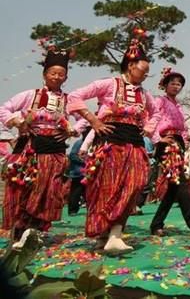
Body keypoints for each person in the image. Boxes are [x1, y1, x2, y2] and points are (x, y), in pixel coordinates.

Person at [67, 36, 161, 255]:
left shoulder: (145, 94)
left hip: (134, 145)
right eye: (143, 70)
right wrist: (94, 120)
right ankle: (104, 235)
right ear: (131, 66)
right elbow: (75, 96)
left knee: (134, 185)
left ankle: (116, 235)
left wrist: (148, 128)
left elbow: (156, 112)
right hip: (109, 144)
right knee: (107, 188)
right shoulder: (109, 84)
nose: (146, 75)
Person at [0, 48, 82, 246]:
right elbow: (4, 109)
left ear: (66, 78)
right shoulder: (30, 95)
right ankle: (19, 230)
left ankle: (36, 229)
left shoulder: (68, 100)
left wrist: (72, 131)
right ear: (44, 74)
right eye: (53, 73)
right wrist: (17, 122)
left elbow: (83, 118)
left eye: (61, 74)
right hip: (30, 150)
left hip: (55, 150)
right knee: (25, 188)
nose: (57, 77)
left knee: (49, 191)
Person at [149, 68, 190, 236]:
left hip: (178, 144)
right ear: (165, 85)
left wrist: (185, 143)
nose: (176, 86)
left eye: (179, 84)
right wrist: (158, 139)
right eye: (172, 83)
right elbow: (151, 119)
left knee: (174, 186)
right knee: (179, 180)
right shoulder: (159, 101)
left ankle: (156, 224)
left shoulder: (178, 106)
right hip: (167, 143)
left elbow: (183, 129)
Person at [67, 127, 90, 216]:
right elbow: (72, 155)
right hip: (78, 173)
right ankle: (72, 210)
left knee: (88, 193)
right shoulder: (79, 143)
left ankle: (91, 209)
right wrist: (84, 162)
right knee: (76, 192)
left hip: (88, 173)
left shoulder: (90, 144)